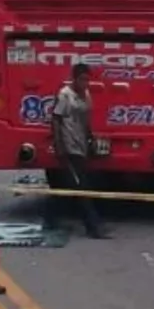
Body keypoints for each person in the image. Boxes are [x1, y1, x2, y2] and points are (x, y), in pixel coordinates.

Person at [48, 63, 112, 239]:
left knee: (73, 185)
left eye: (87, 80)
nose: (85, 83)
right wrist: (59, 145)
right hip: (68, 146)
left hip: (81, 144)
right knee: (81, 187)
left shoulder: (86, 95)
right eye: (82, 79)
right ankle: (93, 226)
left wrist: (91, 139)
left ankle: (52, 218)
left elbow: (85, 120)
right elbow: (56, 119)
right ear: (74, 78)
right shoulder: (65, 95)